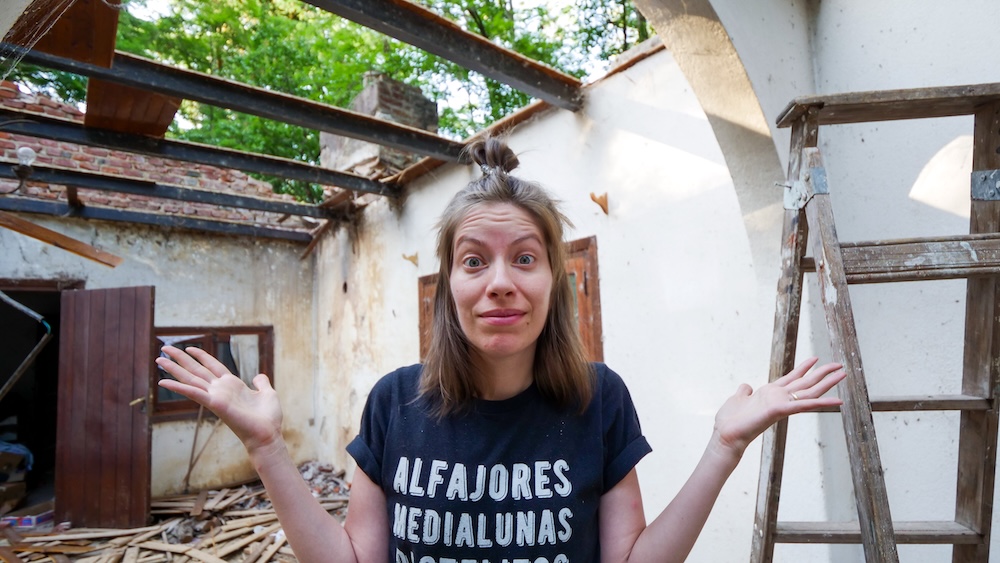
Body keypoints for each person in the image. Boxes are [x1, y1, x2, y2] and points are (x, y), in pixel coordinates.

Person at [156, 136, 846, 563]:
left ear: (554, 278)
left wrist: (723, 448)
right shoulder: (395, 403)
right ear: (448, 284)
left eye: (524, 258)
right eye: (474, 261)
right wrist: (268, 449)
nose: (501, 285)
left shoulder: (598, 398)